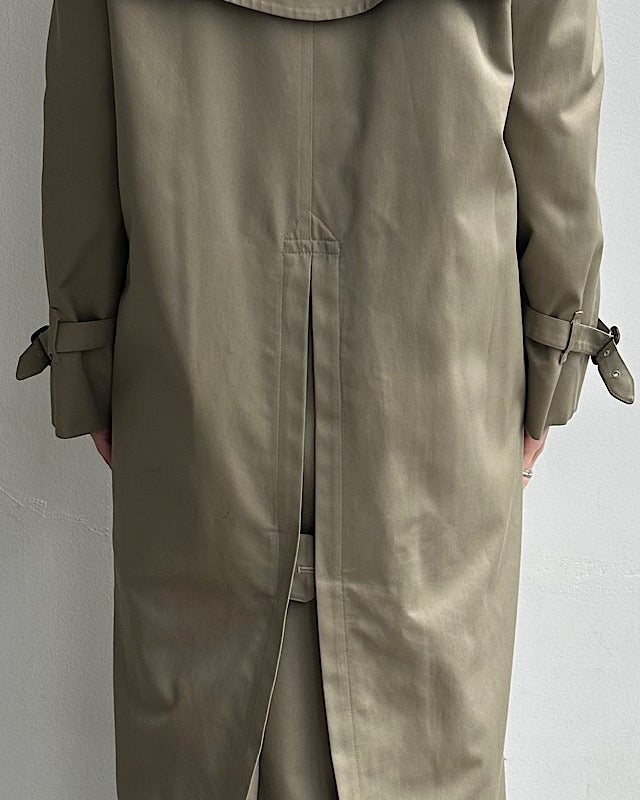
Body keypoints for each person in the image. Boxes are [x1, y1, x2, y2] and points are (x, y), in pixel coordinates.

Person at [15, 1, 634, 799]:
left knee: (195, 742)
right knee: (430, 742)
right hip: (437, 396)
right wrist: (552, 366)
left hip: (196, 386)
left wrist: (91, 366)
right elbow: (557, 120)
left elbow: (79, 127)